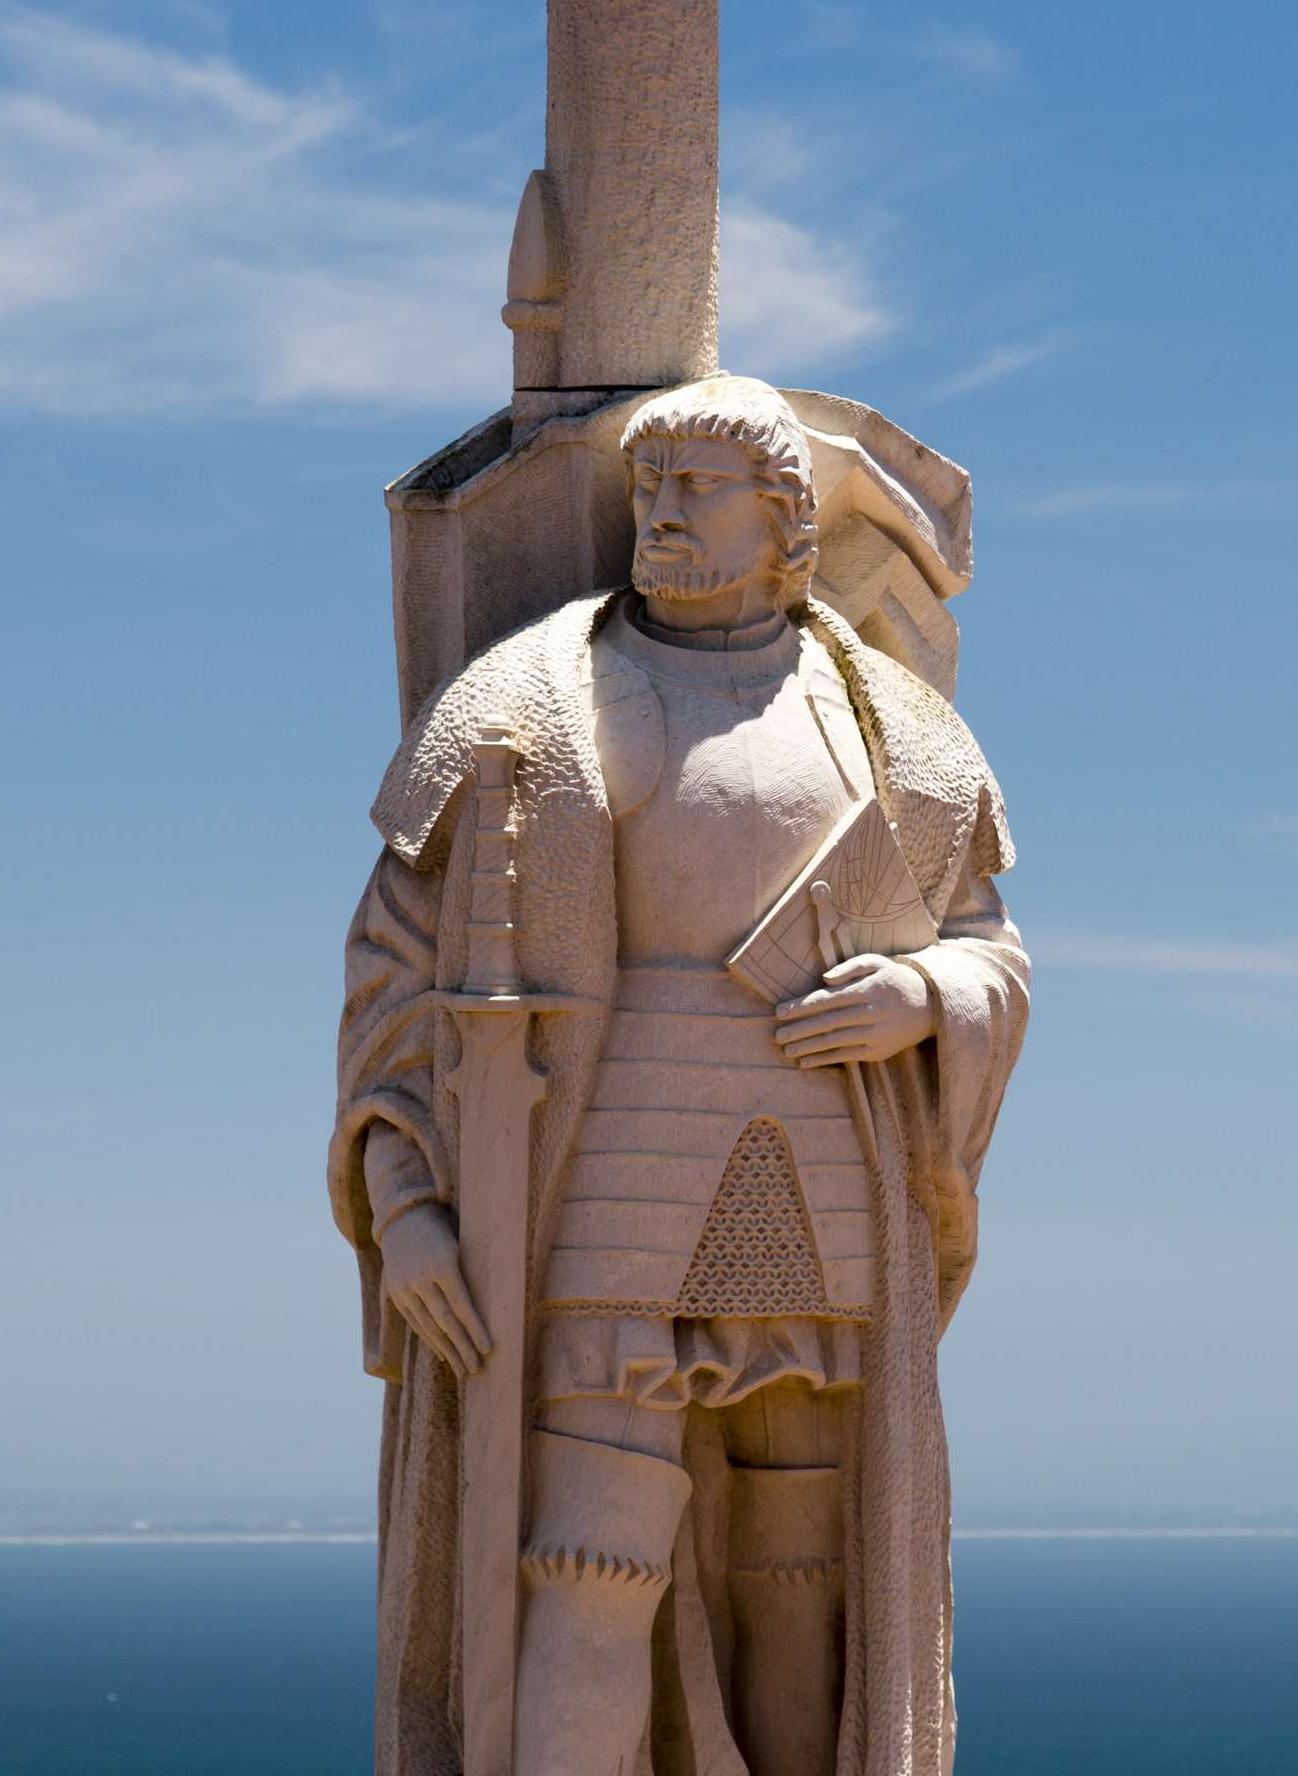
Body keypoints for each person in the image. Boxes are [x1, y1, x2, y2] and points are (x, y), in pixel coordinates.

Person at [332, 374, 1030, 1776]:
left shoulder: (897, 735)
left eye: (695, 491)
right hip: (606, 1184)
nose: (659, 516)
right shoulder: (530, 710)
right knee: (590, 1566)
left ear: (784, 521)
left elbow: (989, 951)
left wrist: (924, 992)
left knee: (801, 1579)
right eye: (647, 491)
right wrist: (406, 1199)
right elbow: (394, 975)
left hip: (827, 1187)